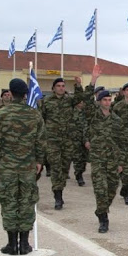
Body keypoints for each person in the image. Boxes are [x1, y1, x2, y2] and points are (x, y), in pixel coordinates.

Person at [0, 78, 46, 255]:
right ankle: (25, 244)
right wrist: (39, 161)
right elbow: (41, 140)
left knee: (9, 201)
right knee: (27, 201)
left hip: (8, 165)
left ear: (10, 92)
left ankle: (12, 244)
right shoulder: (34, 114)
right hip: (28, 165)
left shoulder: (1, 113)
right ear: (25, 94)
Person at [41, 67, 99, 209]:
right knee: (56, 168)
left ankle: (60, 188)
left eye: (62, 86)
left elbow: (83, 97)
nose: (61, 88)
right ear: (53, 88)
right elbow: (40, 120)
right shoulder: (46, 102)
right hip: (53, 141)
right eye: (58, 86)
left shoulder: (69, 100)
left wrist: (88, 82)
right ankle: (58, 196)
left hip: (67, 141)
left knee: (65, 168)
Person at [85, 90, 125, 233]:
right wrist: (93, 82)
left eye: (109, 100)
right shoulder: (93, 116)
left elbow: (121, 142)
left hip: (113, 159)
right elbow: (85, 99)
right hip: (98, 158)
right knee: (100, 189)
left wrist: (121, 163)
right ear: (99, 101)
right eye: (105, 100)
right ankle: (103, 218)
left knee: (112, 188)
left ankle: (101, 209)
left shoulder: (117, 120)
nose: (107, 102)